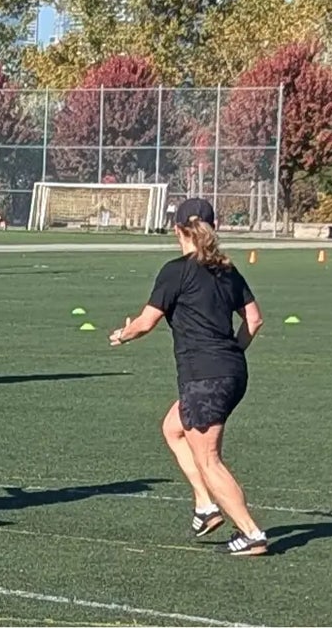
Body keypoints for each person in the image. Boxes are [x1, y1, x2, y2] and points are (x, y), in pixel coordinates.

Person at [109, 197, 267, 555]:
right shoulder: (227, 270)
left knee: (209, 458)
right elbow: (254, 320)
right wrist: (231, 354)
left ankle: (251, 532)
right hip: (231, 371)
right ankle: (205, 505)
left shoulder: (175, 270)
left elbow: (146, 323)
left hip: (204, 377)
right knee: (172, 428)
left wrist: (122, 334)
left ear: (177, 229)